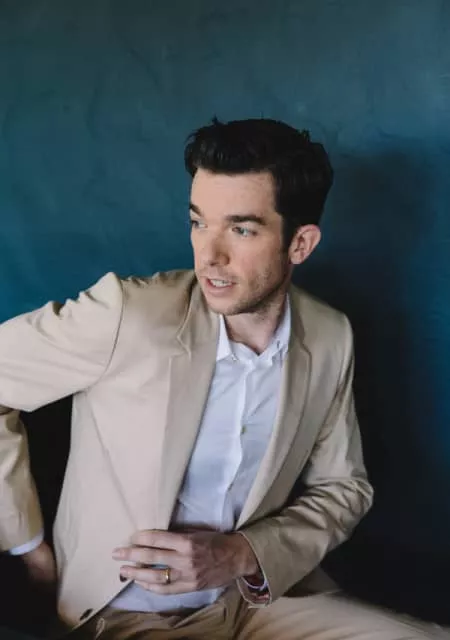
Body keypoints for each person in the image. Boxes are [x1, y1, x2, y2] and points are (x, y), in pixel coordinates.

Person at [0, 118, 444, 640]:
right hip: (124, 615)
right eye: (198, 222)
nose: (208, 255)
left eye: (241, 229)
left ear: (300, 244)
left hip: (259, 601)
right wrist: (26, 544)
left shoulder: (329, 335)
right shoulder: (128, 314)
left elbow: (343, 487)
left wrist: (243, 554)